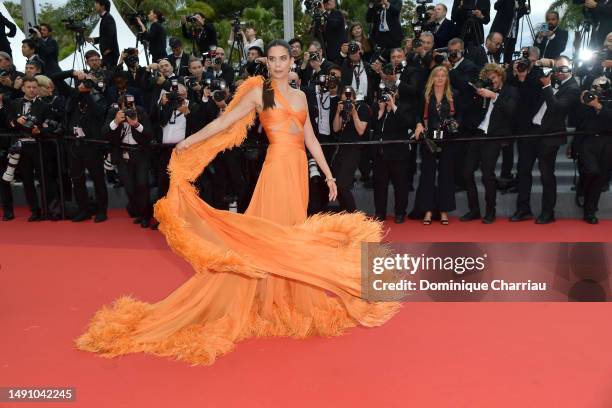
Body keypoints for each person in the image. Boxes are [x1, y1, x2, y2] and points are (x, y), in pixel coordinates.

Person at [75, 39, 401, 366]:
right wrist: (191, 139)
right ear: (268, 64)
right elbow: (224, 123)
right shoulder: (262, 95)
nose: (277, 64)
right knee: (270, 236)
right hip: (276, 170)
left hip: (298, 171)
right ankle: (265, 299)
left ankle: (284, 297)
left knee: (291, 234)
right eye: (272, 59)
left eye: (283, 59)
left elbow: (311, 137)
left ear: (291, 62)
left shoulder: (301, 95)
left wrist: (328, 176)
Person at [414, 66, 459, 225]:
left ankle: (444, 211)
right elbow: (417, 114)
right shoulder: (425, 95)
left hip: (448, 139)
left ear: (447, 78)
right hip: (429, 139)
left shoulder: (454, 95)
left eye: (443, 76)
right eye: (437, 75)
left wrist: (455, 123)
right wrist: (419, 124)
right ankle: (427, 211)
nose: (440, 78)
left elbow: (460, 116)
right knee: (427, 174)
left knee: (446, 175)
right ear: (432, 78)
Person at [88, 0, 119, 69]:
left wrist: (108, 49)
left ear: (102, 6)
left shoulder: (108, 18)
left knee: (110, 74)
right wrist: (93, 40)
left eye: (97, 3)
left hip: (110, 54)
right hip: (107, 54)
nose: (95, 5)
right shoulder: (105, 18)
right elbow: (105, 36)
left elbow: (111, 34)